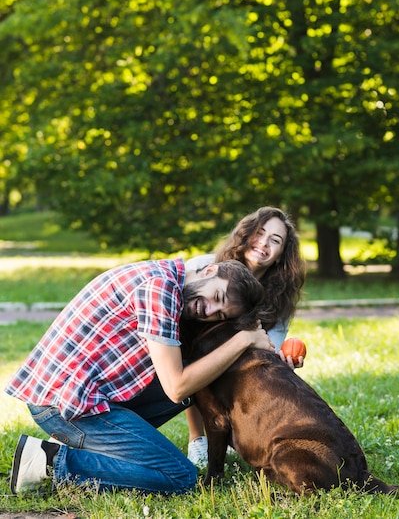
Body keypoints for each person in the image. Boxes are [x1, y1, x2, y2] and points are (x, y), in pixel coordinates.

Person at [5, 257, 273, 495]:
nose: (210, 311)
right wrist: (244, 340)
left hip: (83, 394)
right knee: (180, 476)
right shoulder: (160, 289)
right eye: (217, 296)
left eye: (220, 314)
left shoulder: (168, 279)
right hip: (63, 406)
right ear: (209, 270)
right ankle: (50, 462)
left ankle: (87, 446)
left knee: (201, 378)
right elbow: (176, 387)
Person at [185, 206, 306, 467]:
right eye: (259, 233)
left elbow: (266, 349)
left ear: (280, 256)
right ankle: (197, 440)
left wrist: (282, 361)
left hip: (238, 365)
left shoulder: (279, 299)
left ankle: (234, 434)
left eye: (275, 240)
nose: (264, 243)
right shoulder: (206, 266)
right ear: (245, 234)